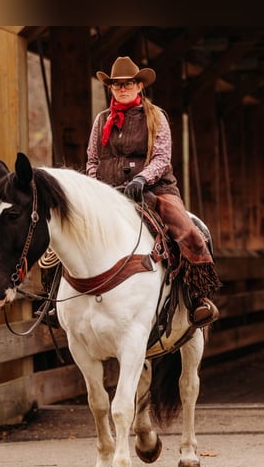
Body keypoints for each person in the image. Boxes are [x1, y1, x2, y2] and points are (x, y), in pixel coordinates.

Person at [86, 56, 220, 328]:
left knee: (187, 230)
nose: (122, 89)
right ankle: (56, 301)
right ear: (110, 88)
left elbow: (161, 157)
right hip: (109, 194)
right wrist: (95, 188)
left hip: (154, 189)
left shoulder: (155, 116)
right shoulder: (101, 120)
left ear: (139, 86)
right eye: (116, 85)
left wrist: (142, 179)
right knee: (69, 231)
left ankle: (198, 298)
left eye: (128, 84)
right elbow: (92, 160)